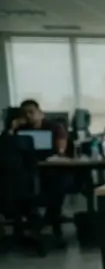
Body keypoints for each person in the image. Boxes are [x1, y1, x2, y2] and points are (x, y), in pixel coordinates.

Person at [5, 99, 71, 242]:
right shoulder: (18, 130)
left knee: (59, 180)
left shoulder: (54, 127)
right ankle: (32, 218)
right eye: (24, 113)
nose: (28, 116)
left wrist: (58, 153)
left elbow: (61, 150)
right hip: (25, 174)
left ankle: (51, 216)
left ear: (40, 113)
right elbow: (6, 150)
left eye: (31, 112)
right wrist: (11, 128)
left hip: (50, 170)